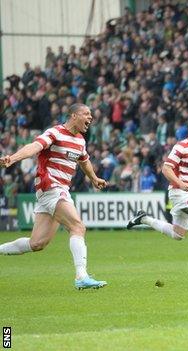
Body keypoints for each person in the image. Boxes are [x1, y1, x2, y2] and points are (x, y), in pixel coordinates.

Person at [0, 103, 108, 290]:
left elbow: (85, 161)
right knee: (77, 226)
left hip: (55, 191)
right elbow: (34, 147)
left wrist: (94, 178)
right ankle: (81, 276)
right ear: (74, 115)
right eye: (86, 114)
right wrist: (13, 158)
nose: (90, 118)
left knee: (37, 243)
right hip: (50, 186)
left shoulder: (80, 140)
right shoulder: (55, 132)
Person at [127, 113, 188, 274]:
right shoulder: (181, 147)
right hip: (179, 193)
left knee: (178, 234)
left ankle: (144, 218)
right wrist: (181, 183)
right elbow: (166, 168)